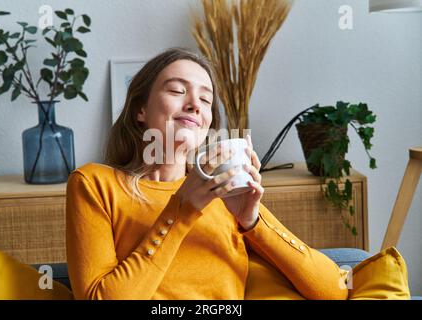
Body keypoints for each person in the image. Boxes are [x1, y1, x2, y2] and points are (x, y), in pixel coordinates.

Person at [66, 47, 349, 300]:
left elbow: (333, 289)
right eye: (177, 91)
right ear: (141, 109)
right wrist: (182, 210)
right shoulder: (95, 184)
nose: (195, 105)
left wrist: (253, 220)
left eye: (205, 99)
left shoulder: (222, 191)